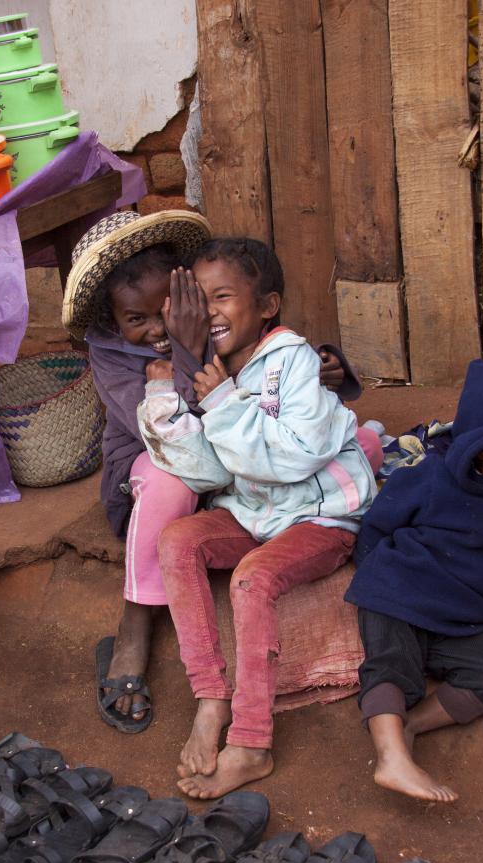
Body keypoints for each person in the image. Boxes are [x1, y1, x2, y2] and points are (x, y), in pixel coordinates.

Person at [63, 212, 379, 733]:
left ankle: (307, 521)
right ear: (112, 320)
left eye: (168, 308)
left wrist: (323, 366)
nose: (157, 330)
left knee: (359, 441)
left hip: (235, 461)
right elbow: (173, 437)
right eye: (135, 319)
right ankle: (135, 626)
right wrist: (187, 352)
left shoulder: (204, 318)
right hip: (161, 460)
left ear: (183, 290)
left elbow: (268, 368)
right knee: (173, 483)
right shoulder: (116, 355)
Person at [137, 237, 377, 797]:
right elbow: (209, 473)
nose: (211, 311)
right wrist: (166, 398)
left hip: (320, 516)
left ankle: (250, 742)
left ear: (266, 306)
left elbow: (295, 456)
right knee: (178, 541)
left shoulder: (292, 360)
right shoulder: (211, 369)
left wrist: (222, 402)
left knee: (252, 579)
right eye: (200, 299)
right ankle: (211, 695)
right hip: (255, 512)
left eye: (223, 296)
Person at [345, 359, 483, 803]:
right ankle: (390, 759)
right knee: (391, 666)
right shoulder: (433, 477)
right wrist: (373, 578)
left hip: (462, 617)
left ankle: (410, 728)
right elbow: (379, 523)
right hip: (399, 591)